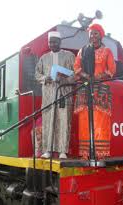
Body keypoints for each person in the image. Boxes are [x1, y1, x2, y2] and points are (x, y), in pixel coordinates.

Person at [74, 23, 116, 158]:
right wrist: (87, 76)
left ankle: (100, 153)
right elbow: (76, 68)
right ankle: (86, 153)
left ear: (101, 35)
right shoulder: (83, 50)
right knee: (84, 120)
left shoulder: (107, 51)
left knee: (100, 121)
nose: (92, 36)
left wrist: (98, 77)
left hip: (101, 89)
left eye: (95, 33)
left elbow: (111, 70)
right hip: (85, 88)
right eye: (91, 33)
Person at [35, 31, 75, 159]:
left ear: (60, 42)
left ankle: (63, 150)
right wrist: (45, 78)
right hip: (48, 94)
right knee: (48, 120)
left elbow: (75, 74)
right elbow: (37, 74)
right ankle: (47, 150)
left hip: (64, 93)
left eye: (54, 42)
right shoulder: (44, 57)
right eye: (50, 42)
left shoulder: (69, 56)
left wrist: (63, 79)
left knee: (64, 120)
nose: (52, 44)